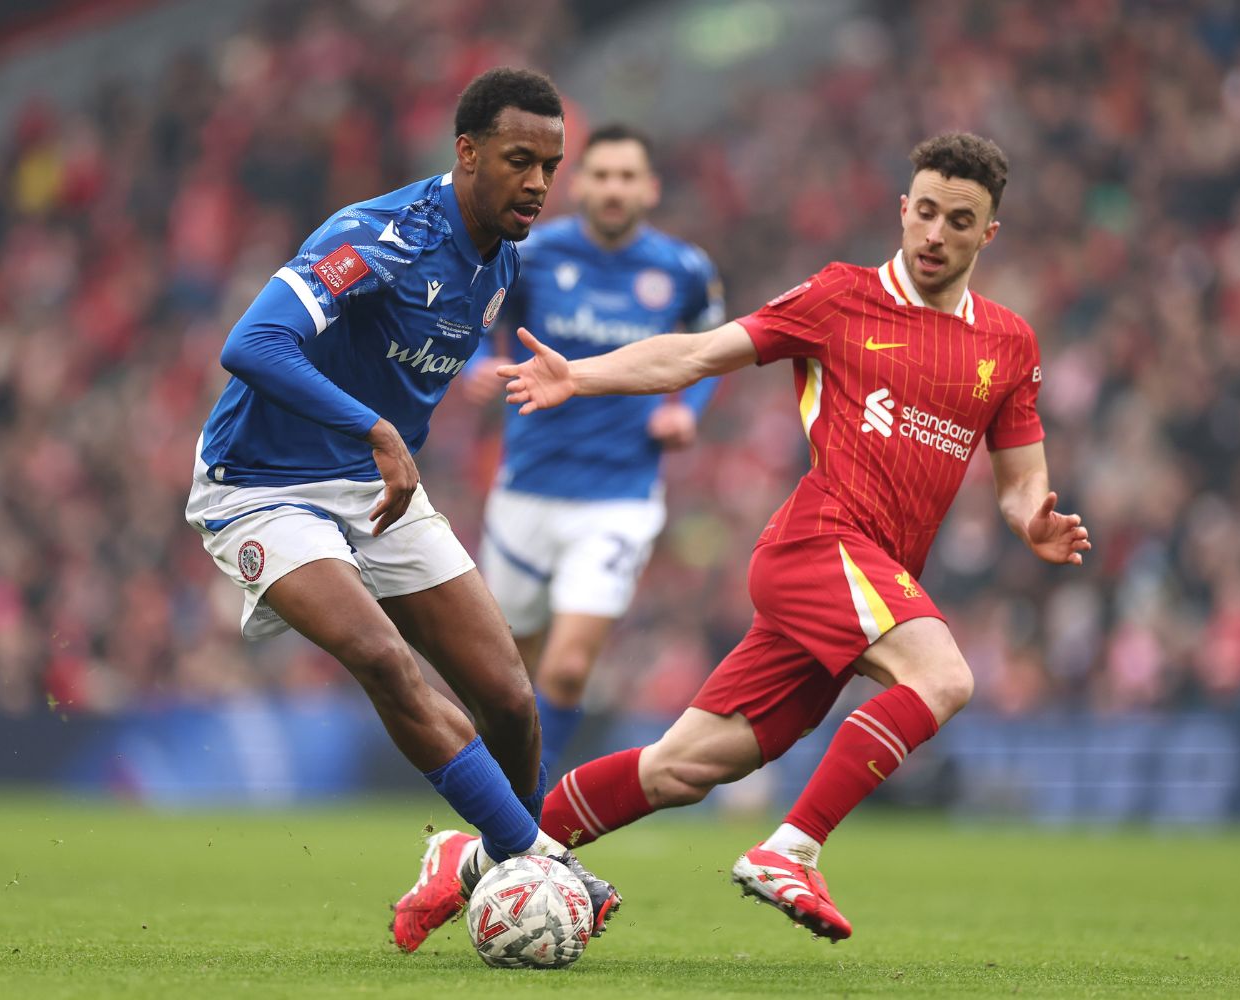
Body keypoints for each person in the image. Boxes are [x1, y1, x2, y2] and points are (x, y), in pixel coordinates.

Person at [501, 132, 1092, 940]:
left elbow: (1021, 476)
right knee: (945, 677)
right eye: (924, 212)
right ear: (902, 209)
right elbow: (698, 354)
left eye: (959, 221)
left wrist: (1033, 520)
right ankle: (793, 849)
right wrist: (581, 374)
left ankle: (477, 855)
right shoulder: (841, 296)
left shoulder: (1009, 344)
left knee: (686, 766)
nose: (934, 235)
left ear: (988, 234)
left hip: (868, 576)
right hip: (820, 543)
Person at [182, 67, 620, 954]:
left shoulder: (501, 257)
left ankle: (471, 866)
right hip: (261, 485)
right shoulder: (379, 236)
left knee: (511, 702)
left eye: (552, 164)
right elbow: (251, 342)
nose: (539, 182)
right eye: (518, 160)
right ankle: (536, 860)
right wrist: (377, 427)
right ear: (465, 153)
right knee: (382, 657)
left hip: (375, 487)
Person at [462, 123, 724, 775]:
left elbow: (711, 352)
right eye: (601, 175)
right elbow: (476, 318)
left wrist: (684, 412)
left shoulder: (683, 270)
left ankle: (530, 813)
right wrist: (474, 364)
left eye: (627, 176)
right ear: (576, 184)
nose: (613, 189)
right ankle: (507, 816)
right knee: (510, 680)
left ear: (650, 188)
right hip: (527, 487)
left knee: (571, 666)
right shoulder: (532, 254)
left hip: (619, 495)